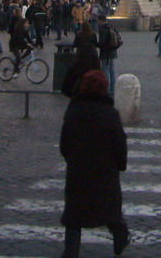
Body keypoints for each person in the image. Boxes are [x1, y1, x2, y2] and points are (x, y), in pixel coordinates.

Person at [59, 69, 130, 257]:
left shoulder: (73, 111)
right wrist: (120, 165)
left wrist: (72, 160)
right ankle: (120, 236)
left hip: (78, 173)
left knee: (74, 217)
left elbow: (64, 144)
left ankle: (71, 252)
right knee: (110, 211)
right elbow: (119, 145)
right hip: (104, 174)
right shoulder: (110, 114)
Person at [96, 14, 121, 97]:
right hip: (113, 52)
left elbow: (101, 43)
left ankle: (107, 89)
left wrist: (97, 44)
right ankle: (113, 89)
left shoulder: (103, 29)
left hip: (105, 53)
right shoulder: (111, 27)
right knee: (112, 70)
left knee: (105, 70)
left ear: (100, 20)